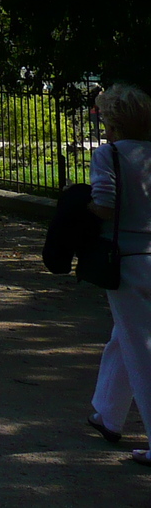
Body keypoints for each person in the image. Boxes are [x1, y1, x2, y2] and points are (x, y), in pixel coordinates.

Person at [86, 83, 151, 463]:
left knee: (141, 350)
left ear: (113, 123)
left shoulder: (108, 154)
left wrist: (79, 206)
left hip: (126, 260)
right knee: (124, 337)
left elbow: (105, 205)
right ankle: (108, 414)